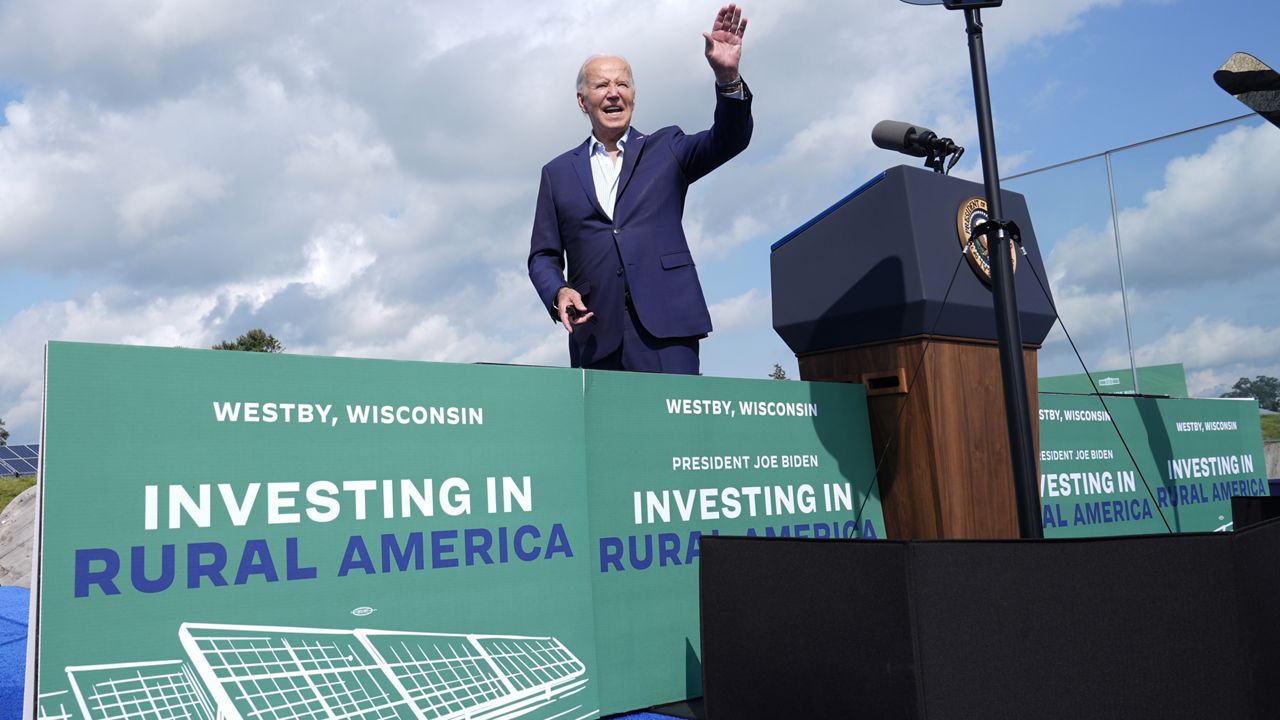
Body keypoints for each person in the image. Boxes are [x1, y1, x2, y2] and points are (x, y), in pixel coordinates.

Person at [527, 4, 752, 374]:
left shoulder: (668, 149)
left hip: (668, 330)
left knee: (676, 431)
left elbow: (730, 138)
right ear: (583, 102)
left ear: (634, 94)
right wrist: (558, 291)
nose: (614, 93)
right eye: (601, 85)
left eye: (623, 84)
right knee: (607, 433)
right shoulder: (557, 173)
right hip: (595, 333)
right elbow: (543, 256)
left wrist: (728, 77)